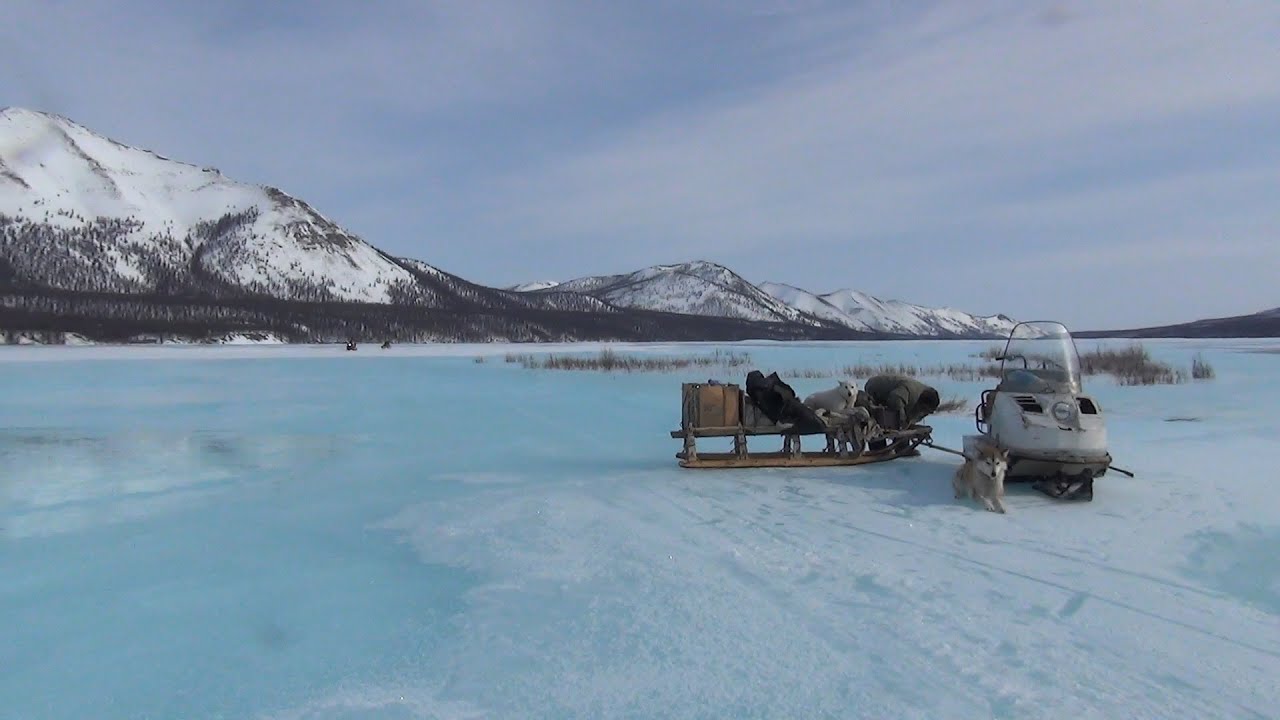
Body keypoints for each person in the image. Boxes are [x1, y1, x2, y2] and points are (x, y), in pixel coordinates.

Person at [863, 374, 940, 430]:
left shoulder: (926, 395)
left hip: (894, 394)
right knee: (879, 421)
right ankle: (878, 448)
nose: (924, 413)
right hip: (875, 387)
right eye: (925, 410)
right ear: (922, 403)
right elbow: (895, 398)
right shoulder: (910, 391)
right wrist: (902, 418)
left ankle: (901, 448)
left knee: (898, 424)